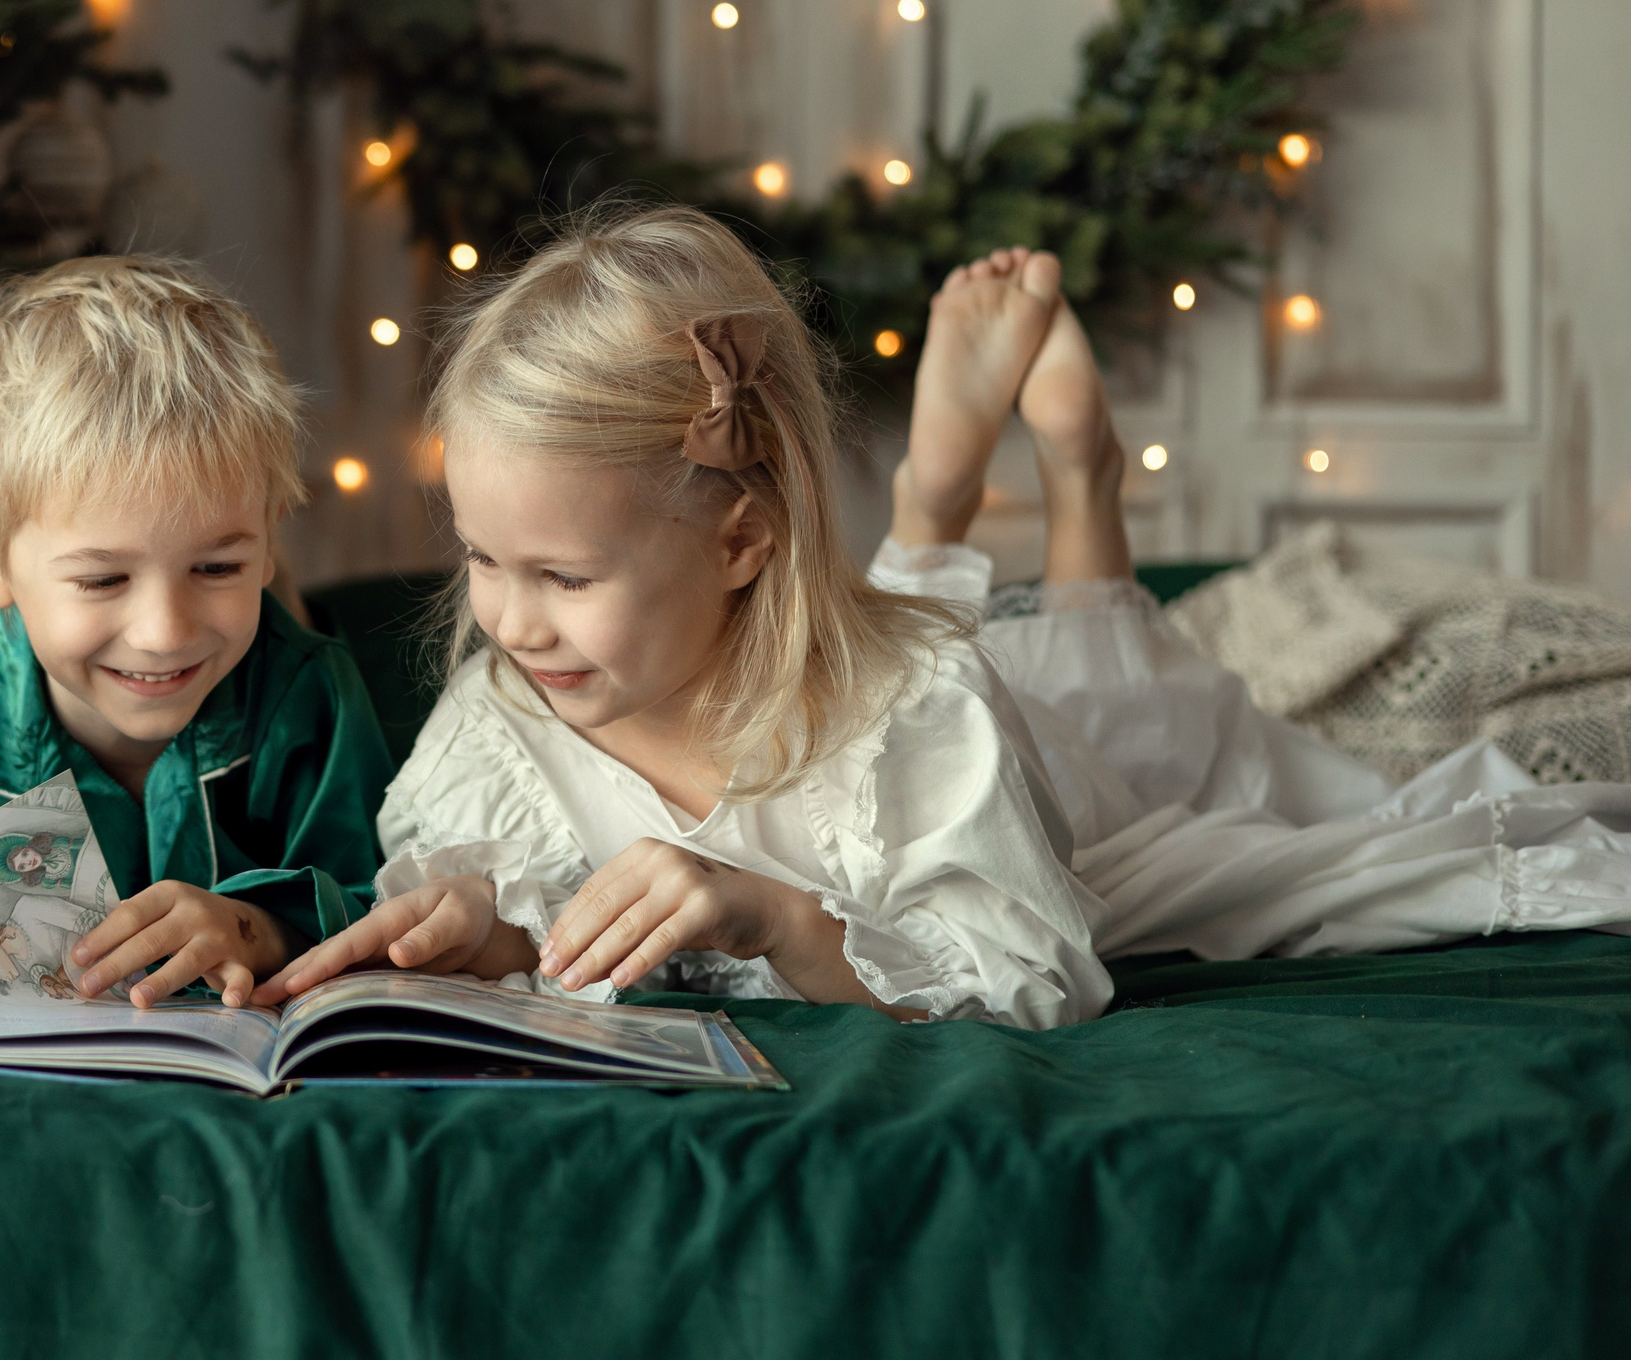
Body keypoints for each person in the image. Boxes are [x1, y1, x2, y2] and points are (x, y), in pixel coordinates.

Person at [258, 208, 1631, 1028]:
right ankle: (938, 514)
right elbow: (485, 898)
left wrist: (780, 916)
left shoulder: (922, 708)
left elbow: (1034, 974)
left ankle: (1063, 500)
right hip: (852, 652)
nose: (508, 619)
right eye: (480, 559)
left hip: (1029, 769)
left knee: (1180, 756)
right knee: (995, 670)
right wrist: (479, 930)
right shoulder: (508, 705)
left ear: (740, 536)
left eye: (560, 577)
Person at [0, 256, 391, 1009]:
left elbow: (371, 900)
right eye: (102, 580)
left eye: (217, 567)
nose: (164, 633)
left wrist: (251, 926)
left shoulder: (309, 694)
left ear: (268, 536)